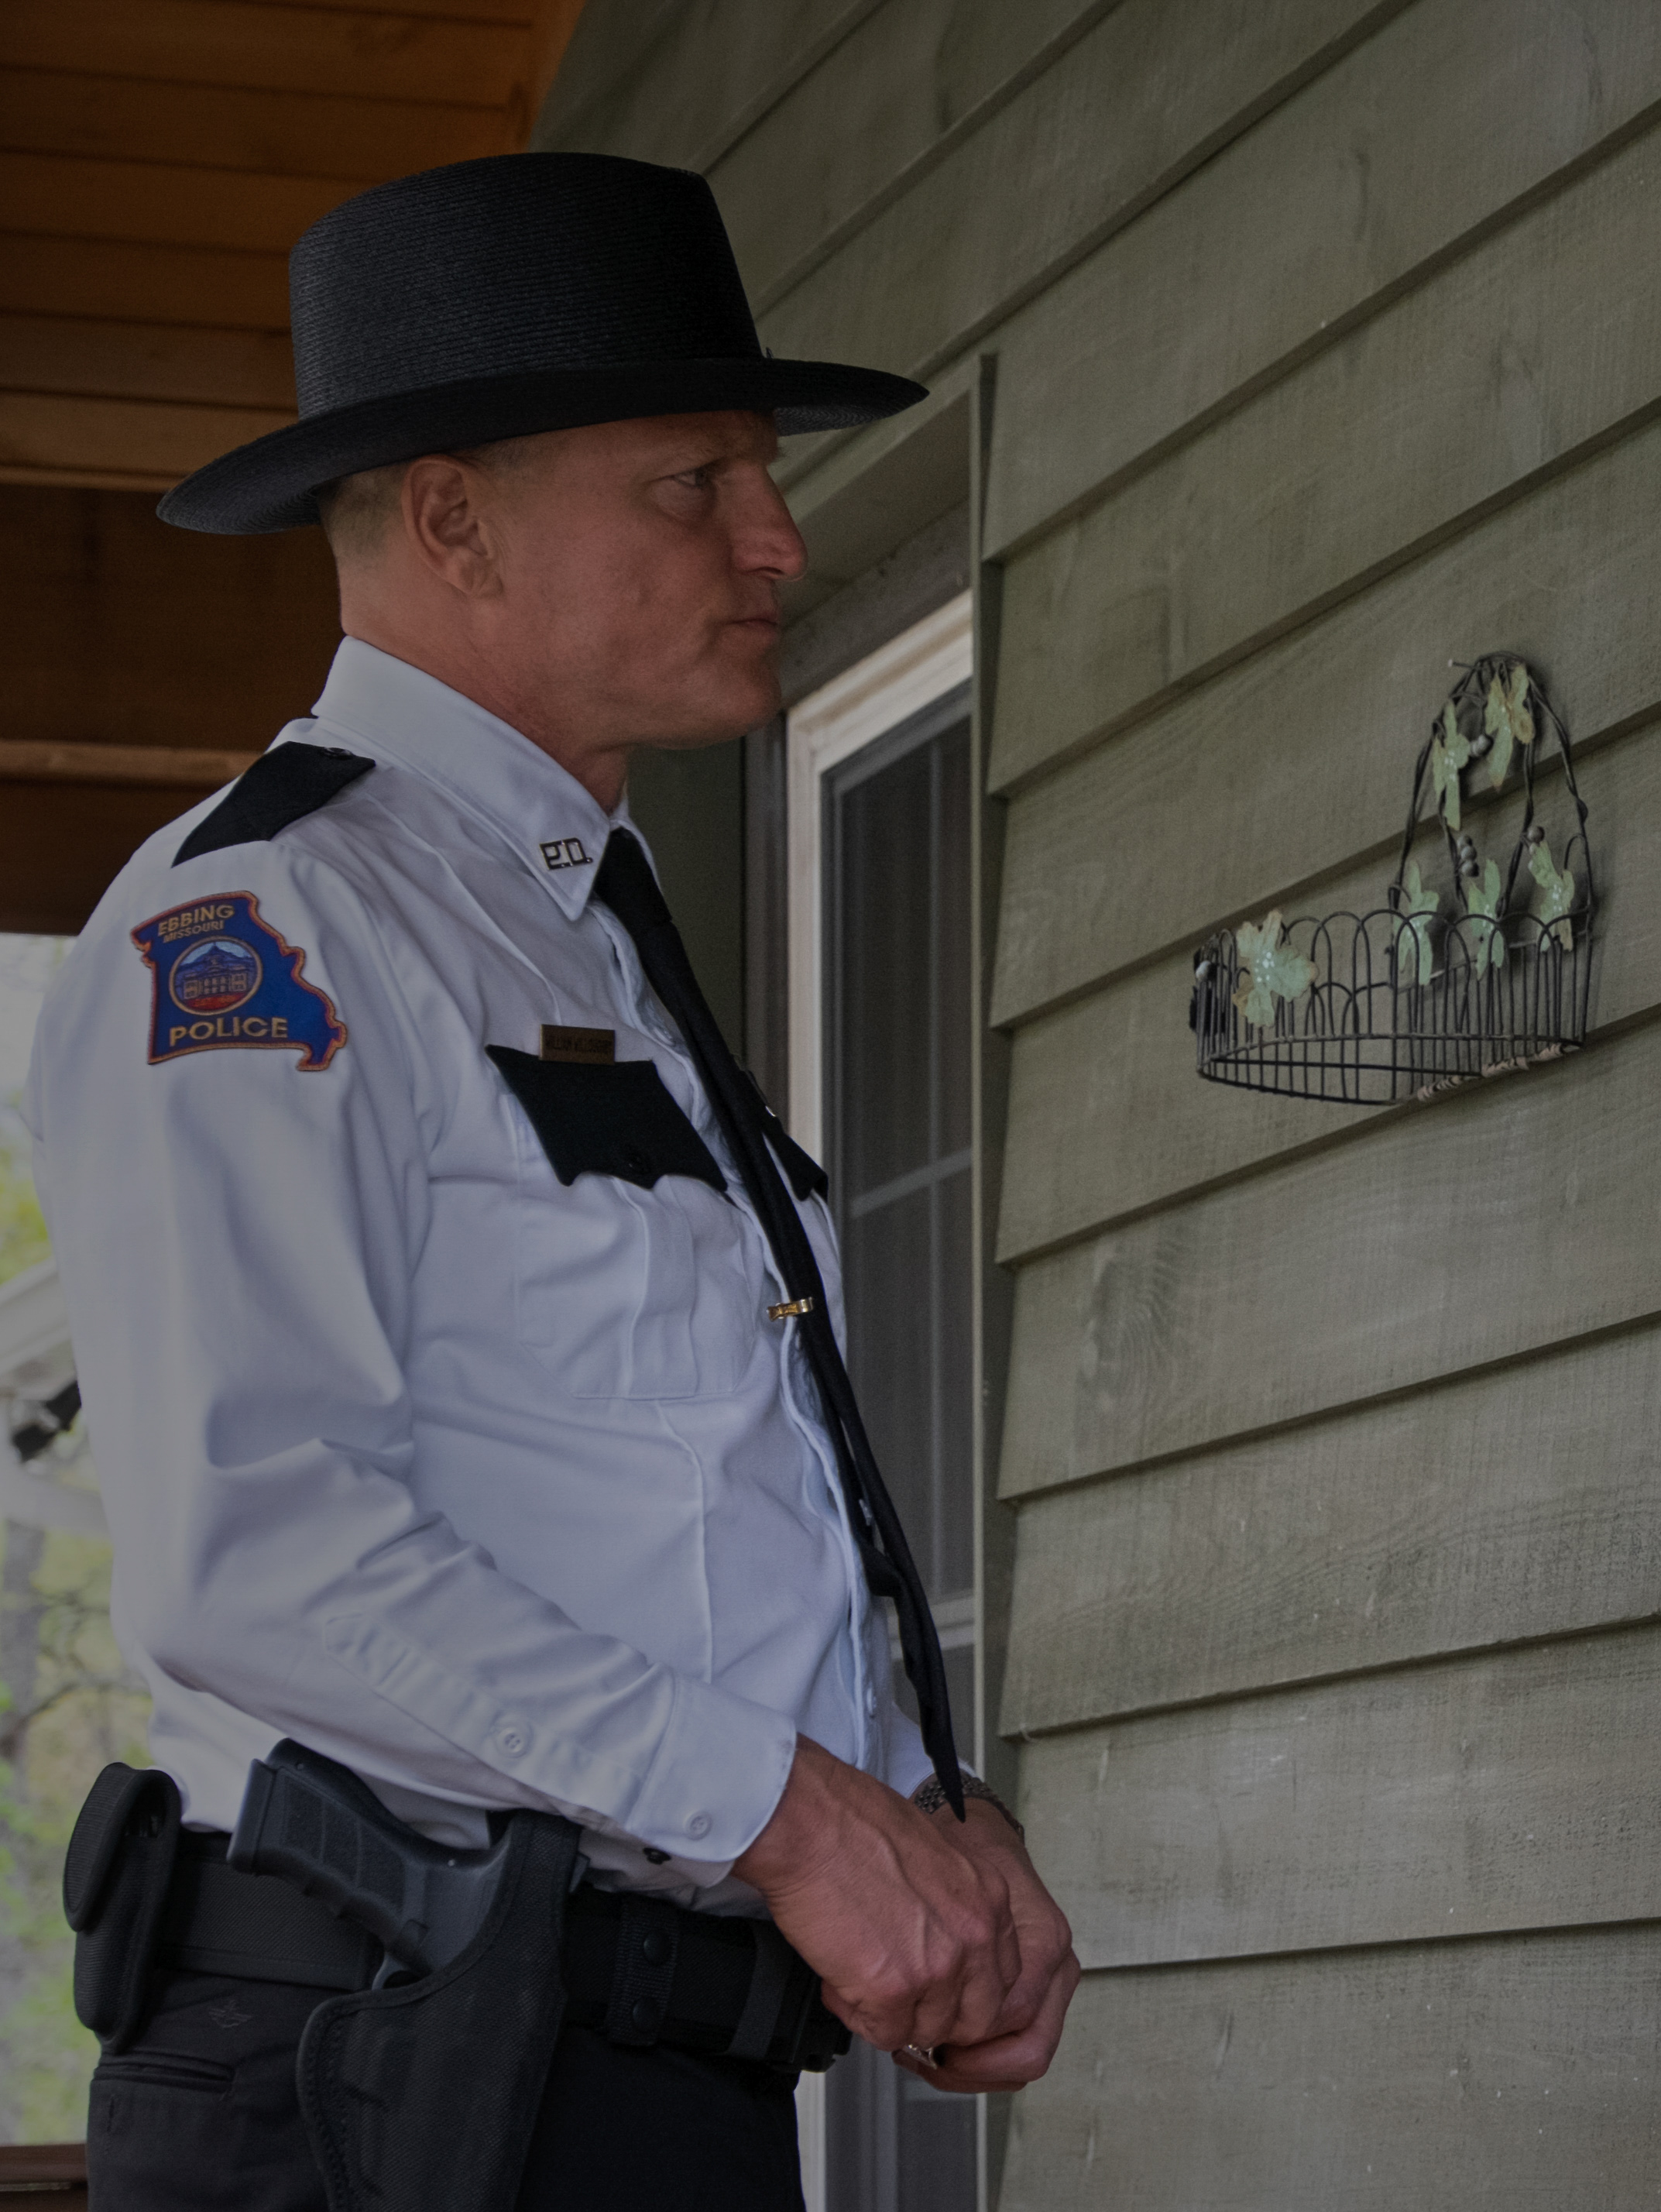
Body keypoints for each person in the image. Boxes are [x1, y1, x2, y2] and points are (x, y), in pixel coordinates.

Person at [26, 153, 1075, 2208]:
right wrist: (798, 1822)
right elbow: (263, 1553)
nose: (776, 538)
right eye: (696, 480)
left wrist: (917, 1820)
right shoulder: (268, 928)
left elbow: (672, 1496)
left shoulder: (589, 924)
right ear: (450, 519)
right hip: (384, 2088)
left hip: (632, 2077)